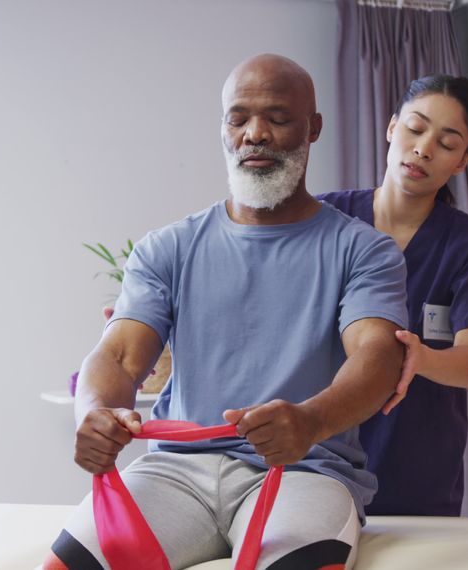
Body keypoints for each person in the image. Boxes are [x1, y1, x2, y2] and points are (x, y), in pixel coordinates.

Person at [43, 54, 408, 570]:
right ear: (224, 129)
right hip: (175, 472)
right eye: (238, 119)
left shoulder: (364, 250)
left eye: (278, 117)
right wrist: (95, 413)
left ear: (313, 127)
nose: (254, 133)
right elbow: (121, 355)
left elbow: (375, 358)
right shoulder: (167, 247)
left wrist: (310, 420)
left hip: (303, 467)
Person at [316, 74, 468, 517]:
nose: (423, 148)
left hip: (418, 464)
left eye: (447, 142)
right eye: (415, 128)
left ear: (463, 161)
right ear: (391, 127)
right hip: (320, 456)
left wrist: (420, 357)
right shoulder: (326, 219)